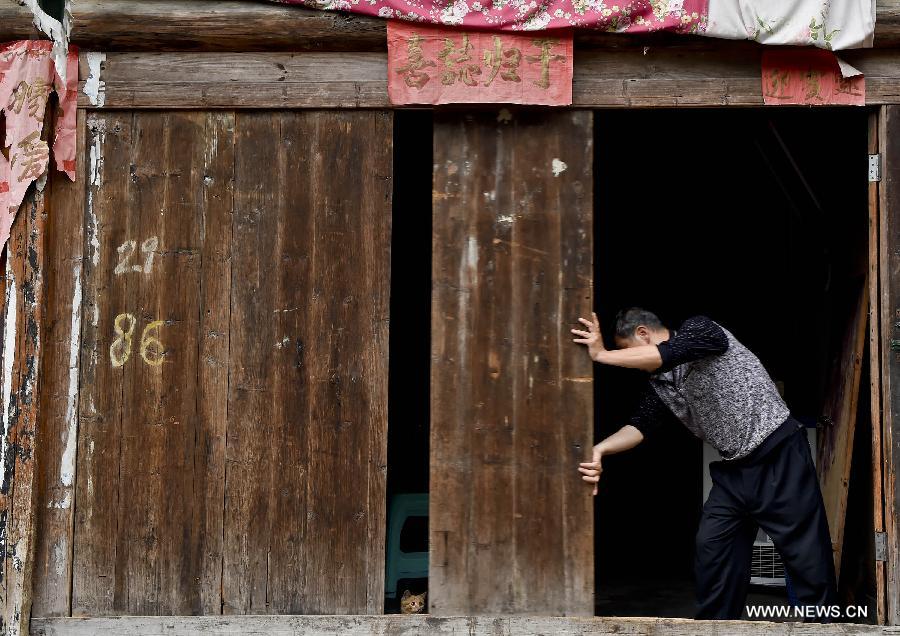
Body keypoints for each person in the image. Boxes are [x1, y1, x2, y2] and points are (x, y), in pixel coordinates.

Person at [571, 307, 837, 620]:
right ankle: (716, 626)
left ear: (643, 333)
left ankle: (824, 624)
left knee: (806, 557)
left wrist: (602, 355)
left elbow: (669, 353)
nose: (631, 365)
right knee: (713, 549)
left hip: (779, 454)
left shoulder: (701, 331)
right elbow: (639, 427)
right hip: (734, 472)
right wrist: (600, 448)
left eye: (627, 352)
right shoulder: (661, 384)